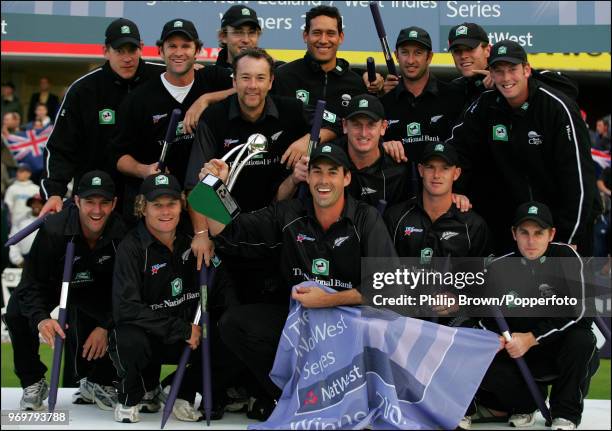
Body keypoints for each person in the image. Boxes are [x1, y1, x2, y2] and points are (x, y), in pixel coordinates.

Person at [198, 143, 397, 419]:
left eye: (332, 172)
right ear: (308, 176)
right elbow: (230, 231)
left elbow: (387, 286)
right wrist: (212, 186)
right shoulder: (288, 213)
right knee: (234, 324)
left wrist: (327, 300)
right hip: (301, 323)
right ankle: (291, 398)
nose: (324, 181)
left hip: (351, 328)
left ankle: (353, 398)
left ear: (346, 178)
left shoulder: (366, 218)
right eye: (317, 172)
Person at [447, 41, 596, 255]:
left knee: (562, 289)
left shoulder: (556, 107)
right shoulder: (485, 104)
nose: (507, 78)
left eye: (512, 70)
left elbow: (579, 181)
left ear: (526, 70)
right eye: (499, 71)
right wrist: (456, 189)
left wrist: (566, 239)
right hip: (516, 232)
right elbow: (456, 148)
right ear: (491, 74)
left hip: (560, 231)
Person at [186, 48, 324, 273]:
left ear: (271, 82)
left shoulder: (291, 110)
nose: (253, 85)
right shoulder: (214, 117)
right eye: (245, 77)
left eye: (260, 78)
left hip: (278, 225)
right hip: (228, 227)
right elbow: (196, 185)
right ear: (234, 81)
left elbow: (336, 125)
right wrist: (201, 234)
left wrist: (308, 139)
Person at [471, 201, 599, 430]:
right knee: (484, 352)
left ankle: (565, 414)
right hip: (518, 355)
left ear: (551, 234)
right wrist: (499, 339)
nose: (531, 241)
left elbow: (578, 312)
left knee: (583, 340)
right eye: (524, 233)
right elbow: (482, 316)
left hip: (559, 350)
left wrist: (531, 338)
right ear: (514, 234)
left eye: (538, 233)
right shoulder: (499, 266)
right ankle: (525, 404)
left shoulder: (566, 257)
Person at [5, 170, 126, 411]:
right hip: (55, 284)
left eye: (104, 203)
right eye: (90, 202)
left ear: (114, 204)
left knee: (124, 319)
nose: (97, 210)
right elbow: (31, 284)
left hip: (96, 288)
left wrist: (105, 325)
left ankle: (100, 381)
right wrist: (41, 320)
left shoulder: (122, 233)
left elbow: (127, 291)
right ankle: (33, 381)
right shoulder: (54, 229)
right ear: (77, 201)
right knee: (16, 312)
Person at [40, 18, 168, 216]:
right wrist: (54, 192)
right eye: (119, 51)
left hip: (152, 198)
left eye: (132, 50)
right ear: (105, 51)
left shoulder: (163, 78)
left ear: (141, 48)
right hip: (97, 200)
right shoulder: (83, 90)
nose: (127, 58)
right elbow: (60, 147)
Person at [113, 18, 232, 222]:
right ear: (160, 51)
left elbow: (251, 88)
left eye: (186, 46)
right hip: (161, 206)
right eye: (172, 46)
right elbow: (118, 155)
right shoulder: (139, 99)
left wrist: (206, 99)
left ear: (198, 50)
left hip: (208, 202)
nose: (179, 52)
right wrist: (144, 170)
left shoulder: (213, 79)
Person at [109, 173, 203, 423]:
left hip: (183, 336)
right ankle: (131, 396)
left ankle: (179, 390)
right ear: (143, 207)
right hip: (150, 336)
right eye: (156, 205)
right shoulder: (131, 248)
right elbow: (126, 309)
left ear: (181, 205)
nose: (165, 212)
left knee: (226, 330)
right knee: (127, 337)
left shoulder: (193, 241)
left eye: (171, 204)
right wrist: (181, 328)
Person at [273, 5, 381, 167]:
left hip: (340, 175)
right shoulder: (284, 76)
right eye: (317, 33)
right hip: (290, 172)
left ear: (341, 37)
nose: (323, 40)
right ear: (305, 36)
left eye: (330, 33)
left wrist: (317, 136)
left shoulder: (356, 83)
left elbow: (362, 128)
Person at [379, 27, 466, 165]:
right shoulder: (383, 103)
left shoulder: (453, 97)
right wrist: (382, 147)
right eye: (405, 53)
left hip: (440, 184)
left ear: (429, 57)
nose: (411, 60)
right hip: (398, 185)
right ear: (396, 55)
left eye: (418, 53)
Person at [447, 22, 493, 109]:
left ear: (487, 50)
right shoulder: (452, 89)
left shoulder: (507, 85)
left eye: (470, 49)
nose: (463, 56)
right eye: (457, 51)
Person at [8, 193, 43, 267]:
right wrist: (18, 260)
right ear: (30, 205)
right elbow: (13, 241)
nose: (36, 205)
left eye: (39, 203)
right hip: (24, 260)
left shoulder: (49, 221)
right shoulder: (21, 221)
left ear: (44, 205)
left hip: (44, 261)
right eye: (34, 203)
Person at [3, 162, 39, 227]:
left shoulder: (36, 189)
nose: (18, 173)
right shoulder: (11, 189)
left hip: (32, 226)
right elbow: (8, 209)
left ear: (28, 174)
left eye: (21, 171)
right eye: (18, 171)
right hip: (15, 226)